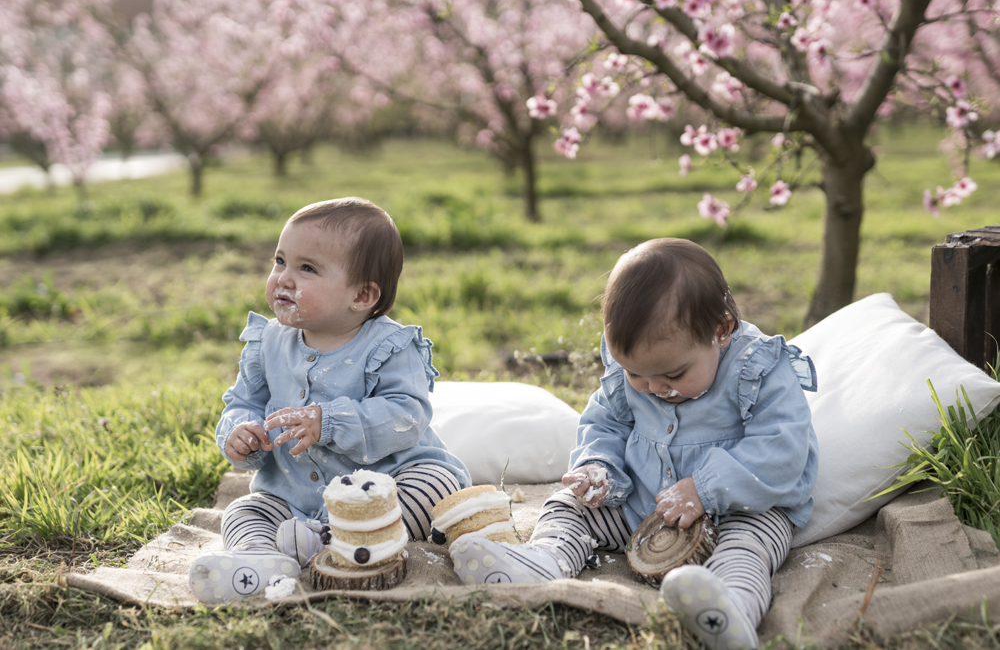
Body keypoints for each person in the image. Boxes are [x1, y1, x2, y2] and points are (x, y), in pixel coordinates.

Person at [451, 238, 818, 650]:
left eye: (674, 375)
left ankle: (727, 608)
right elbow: (605, 423)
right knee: (566, 506)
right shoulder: (635, 373)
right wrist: (599, 467)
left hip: (741, 507)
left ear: (721, 330)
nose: (653, 389)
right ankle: (544, 560)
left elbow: (782, 448)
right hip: (643, 504)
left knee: (746, 549)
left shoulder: (759, 368)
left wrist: (704, 489)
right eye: (635, 375)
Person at [189, 197, 470, 603]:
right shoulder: (265, 343)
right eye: (279, 261)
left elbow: (408, 414)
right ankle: (260, 557)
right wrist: (239, 432)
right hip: (295, 494)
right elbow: (242, 403)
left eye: (307, 268)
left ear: (361, 295)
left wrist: (330, 421)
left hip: (386, 482)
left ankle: (334, 540)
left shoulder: (388, 346)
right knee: (244, 511)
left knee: (434, 487)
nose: (283, 278)